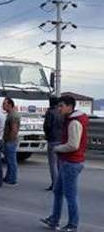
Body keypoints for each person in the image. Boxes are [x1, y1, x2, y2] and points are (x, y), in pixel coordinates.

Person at [41, 95, 89, 232]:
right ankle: (54, 220)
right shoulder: (71, 119)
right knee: (58, 191)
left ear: (70, 106)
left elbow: (73, 145)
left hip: (72, 162)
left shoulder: (74, 122)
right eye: (58, 106)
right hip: (68, 161)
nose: (59, 108)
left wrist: (57, 148)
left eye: (61, 106)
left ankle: (72, 225)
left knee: (70, 195)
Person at [43, 96, 63, 191]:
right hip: (61, 140)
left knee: (53, 164)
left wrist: (47, 135)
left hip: (52, 140)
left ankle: (55, 185)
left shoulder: (50, 112)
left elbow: (47, 126)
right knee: (59, 164)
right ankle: (60, 183)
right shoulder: (61, 112)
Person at [2, 97, 21, 186]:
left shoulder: (13, 115)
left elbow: (14, 130)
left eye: (4, 104)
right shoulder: (10, 114)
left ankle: (12, 179)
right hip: (9, 140)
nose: (3, 106)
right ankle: (8, 177)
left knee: (12, 161)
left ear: (10, 104)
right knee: (9, 161)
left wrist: (9, 141)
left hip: (11, 141)